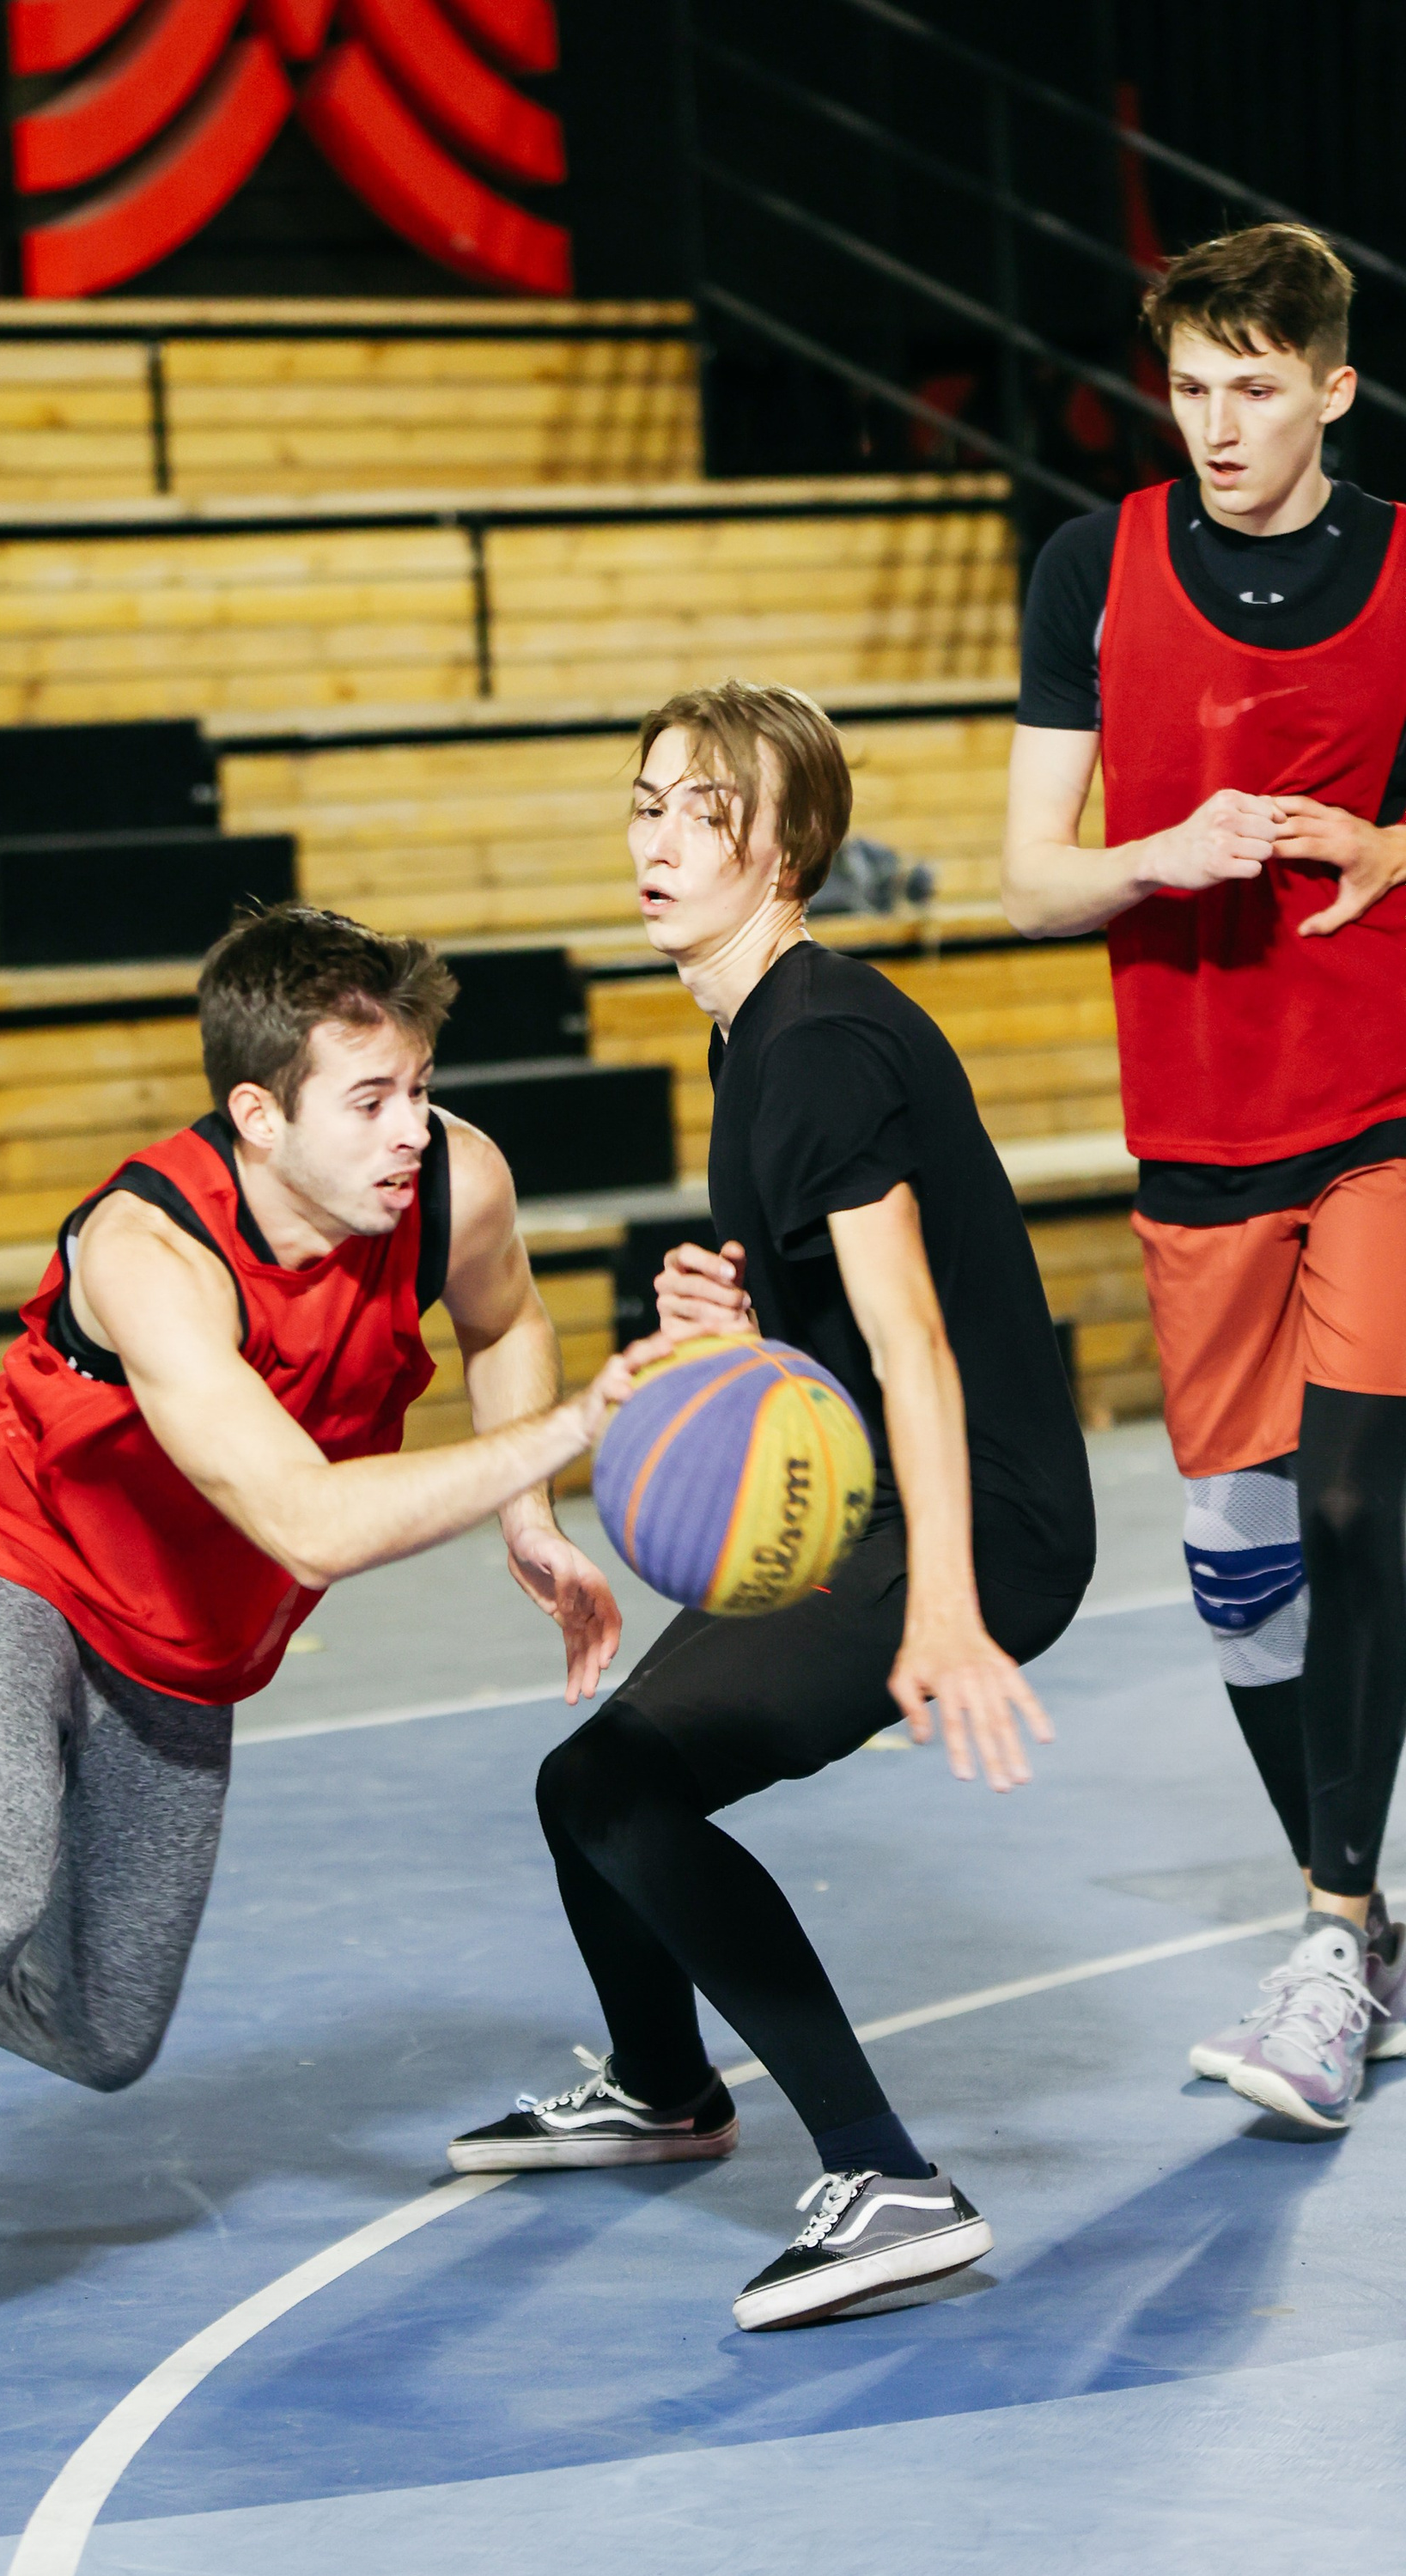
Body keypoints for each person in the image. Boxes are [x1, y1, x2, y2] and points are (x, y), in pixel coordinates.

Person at [0, 901, 644, 2425]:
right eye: (369, 1100)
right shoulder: (149, 1252)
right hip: (5, 1567)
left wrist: (528, 1509)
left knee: (102, 2034)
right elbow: (305, 1516)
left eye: (420, 1084)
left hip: (181, 1637)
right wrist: (569, 1428)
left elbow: (509, 1315)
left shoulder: (452, 1182)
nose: (412, 1128)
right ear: (256, 1111)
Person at [450, 680, 1096, 2330]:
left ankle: (885, 2176)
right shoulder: (763, 1029)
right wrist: (749, 1340)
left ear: (790, 846)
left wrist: (944, 1603)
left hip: (977, 1522)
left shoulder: (806, 1048)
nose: (659, 838)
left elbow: (917, 1343)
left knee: (617, 1788)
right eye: (647, 802)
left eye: (703, 812)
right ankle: (666, 2086)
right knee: (584, 1781)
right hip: (904, 1498)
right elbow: (853, 1334)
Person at [1001, 221, 1406, 2134]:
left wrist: (1394, 854)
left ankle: (1324, 1937)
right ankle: (1364, 1924)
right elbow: (1027, 878)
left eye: (1256, 386)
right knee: (1242, 1573)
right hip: (1194, 1130)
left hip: (1384, 1104)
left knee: (1349, 1501)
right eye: (1187, 386)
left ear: (1333, 386)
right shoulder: (1089, 566)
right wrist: (1155, 853)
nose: (1217, 423)